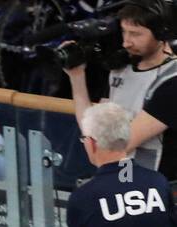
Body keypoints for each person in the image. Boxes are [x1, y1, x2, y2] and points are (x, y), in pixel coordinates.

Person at [64, 1, 177, 179]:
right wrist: (76, 77)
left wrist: (95, 144)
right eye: (124, 31)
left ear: (162, 34)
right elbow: (93, 130)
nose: (126, 42)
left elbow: (109, 150)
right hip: (121, 182)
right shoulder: (121, 70)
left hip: (156, 191)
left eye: (136, 34)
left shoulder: (172, 81)